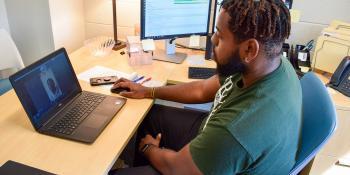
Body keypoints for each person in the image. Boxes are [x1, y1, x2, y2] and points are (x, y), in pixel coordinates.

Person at [111, 0, 301, 174]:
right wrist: (147, 91)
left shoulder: (237, 130)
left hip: (200, 162)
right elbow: (201, 89)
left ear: (249, 49)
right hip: (212, 138)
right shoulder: (269, 63)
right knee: (150, 115)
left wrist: (149, 149)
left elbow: (177, 168)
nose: (213, 40)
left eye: (220, 35)